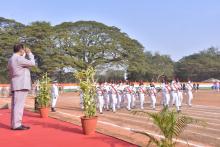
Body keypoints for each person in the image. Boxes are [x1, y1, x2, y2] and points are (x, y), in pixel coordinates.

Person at [8, 44, 35, 130]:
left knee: (15, 105)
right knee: (19, 105)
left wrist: (23, 54)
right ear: (20, 50)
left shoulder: (11, 59)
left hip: (15, 83)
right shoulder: (19, 59)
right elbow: (32, 63)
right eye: (23, 49)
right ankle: (17, 125)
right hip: (21, 84)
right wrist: (30, 53)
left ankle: (15, 124)